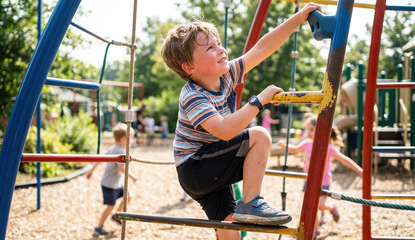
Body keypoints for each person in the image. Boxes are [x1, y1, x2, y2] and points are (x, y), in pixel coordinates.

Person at [161, 3, 321, 239]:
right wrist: (259, 100)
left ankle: (244, 209)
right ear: (189, 67)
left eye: (219, 44)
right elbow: (225, 131)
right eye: (210, 48)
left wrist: (298, 18)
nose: (221, 50)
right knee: (259, 136)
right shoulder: (192, 95)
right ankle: (252, 203)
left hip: (211, 166)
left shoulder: (226, 75)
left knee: (229, 228)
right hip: (195, 168)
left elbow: (262, 48)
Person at [277, 116, 363, 238]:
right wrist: (285, 146)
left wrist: (359, 170)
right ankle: (315, 229)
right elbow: (295, 150)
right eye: (308, 129)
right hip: (309, 180)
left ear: (320, 130)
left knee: (319, 205)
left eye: (312, 129)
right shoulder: (307, 144)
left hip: (324, 181)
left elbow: (344, 160)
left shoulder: (327, 147)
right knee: (310, 206)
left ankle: (332, 207)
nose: (309, 132)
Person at [86, 123, 138, 236]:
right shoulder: (119, 151)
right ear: (124, 139)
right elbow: (121, 167)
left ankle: (116, 216)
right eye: (131, 137)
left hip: (115, 183)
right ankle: (98, 227)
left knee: (128, 197)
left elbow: (100, 160)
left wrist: (91, 171)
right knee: (110, 206)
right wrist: (132, 176)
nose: (132, 140)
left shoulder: (113, 148)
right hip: (109, 184)